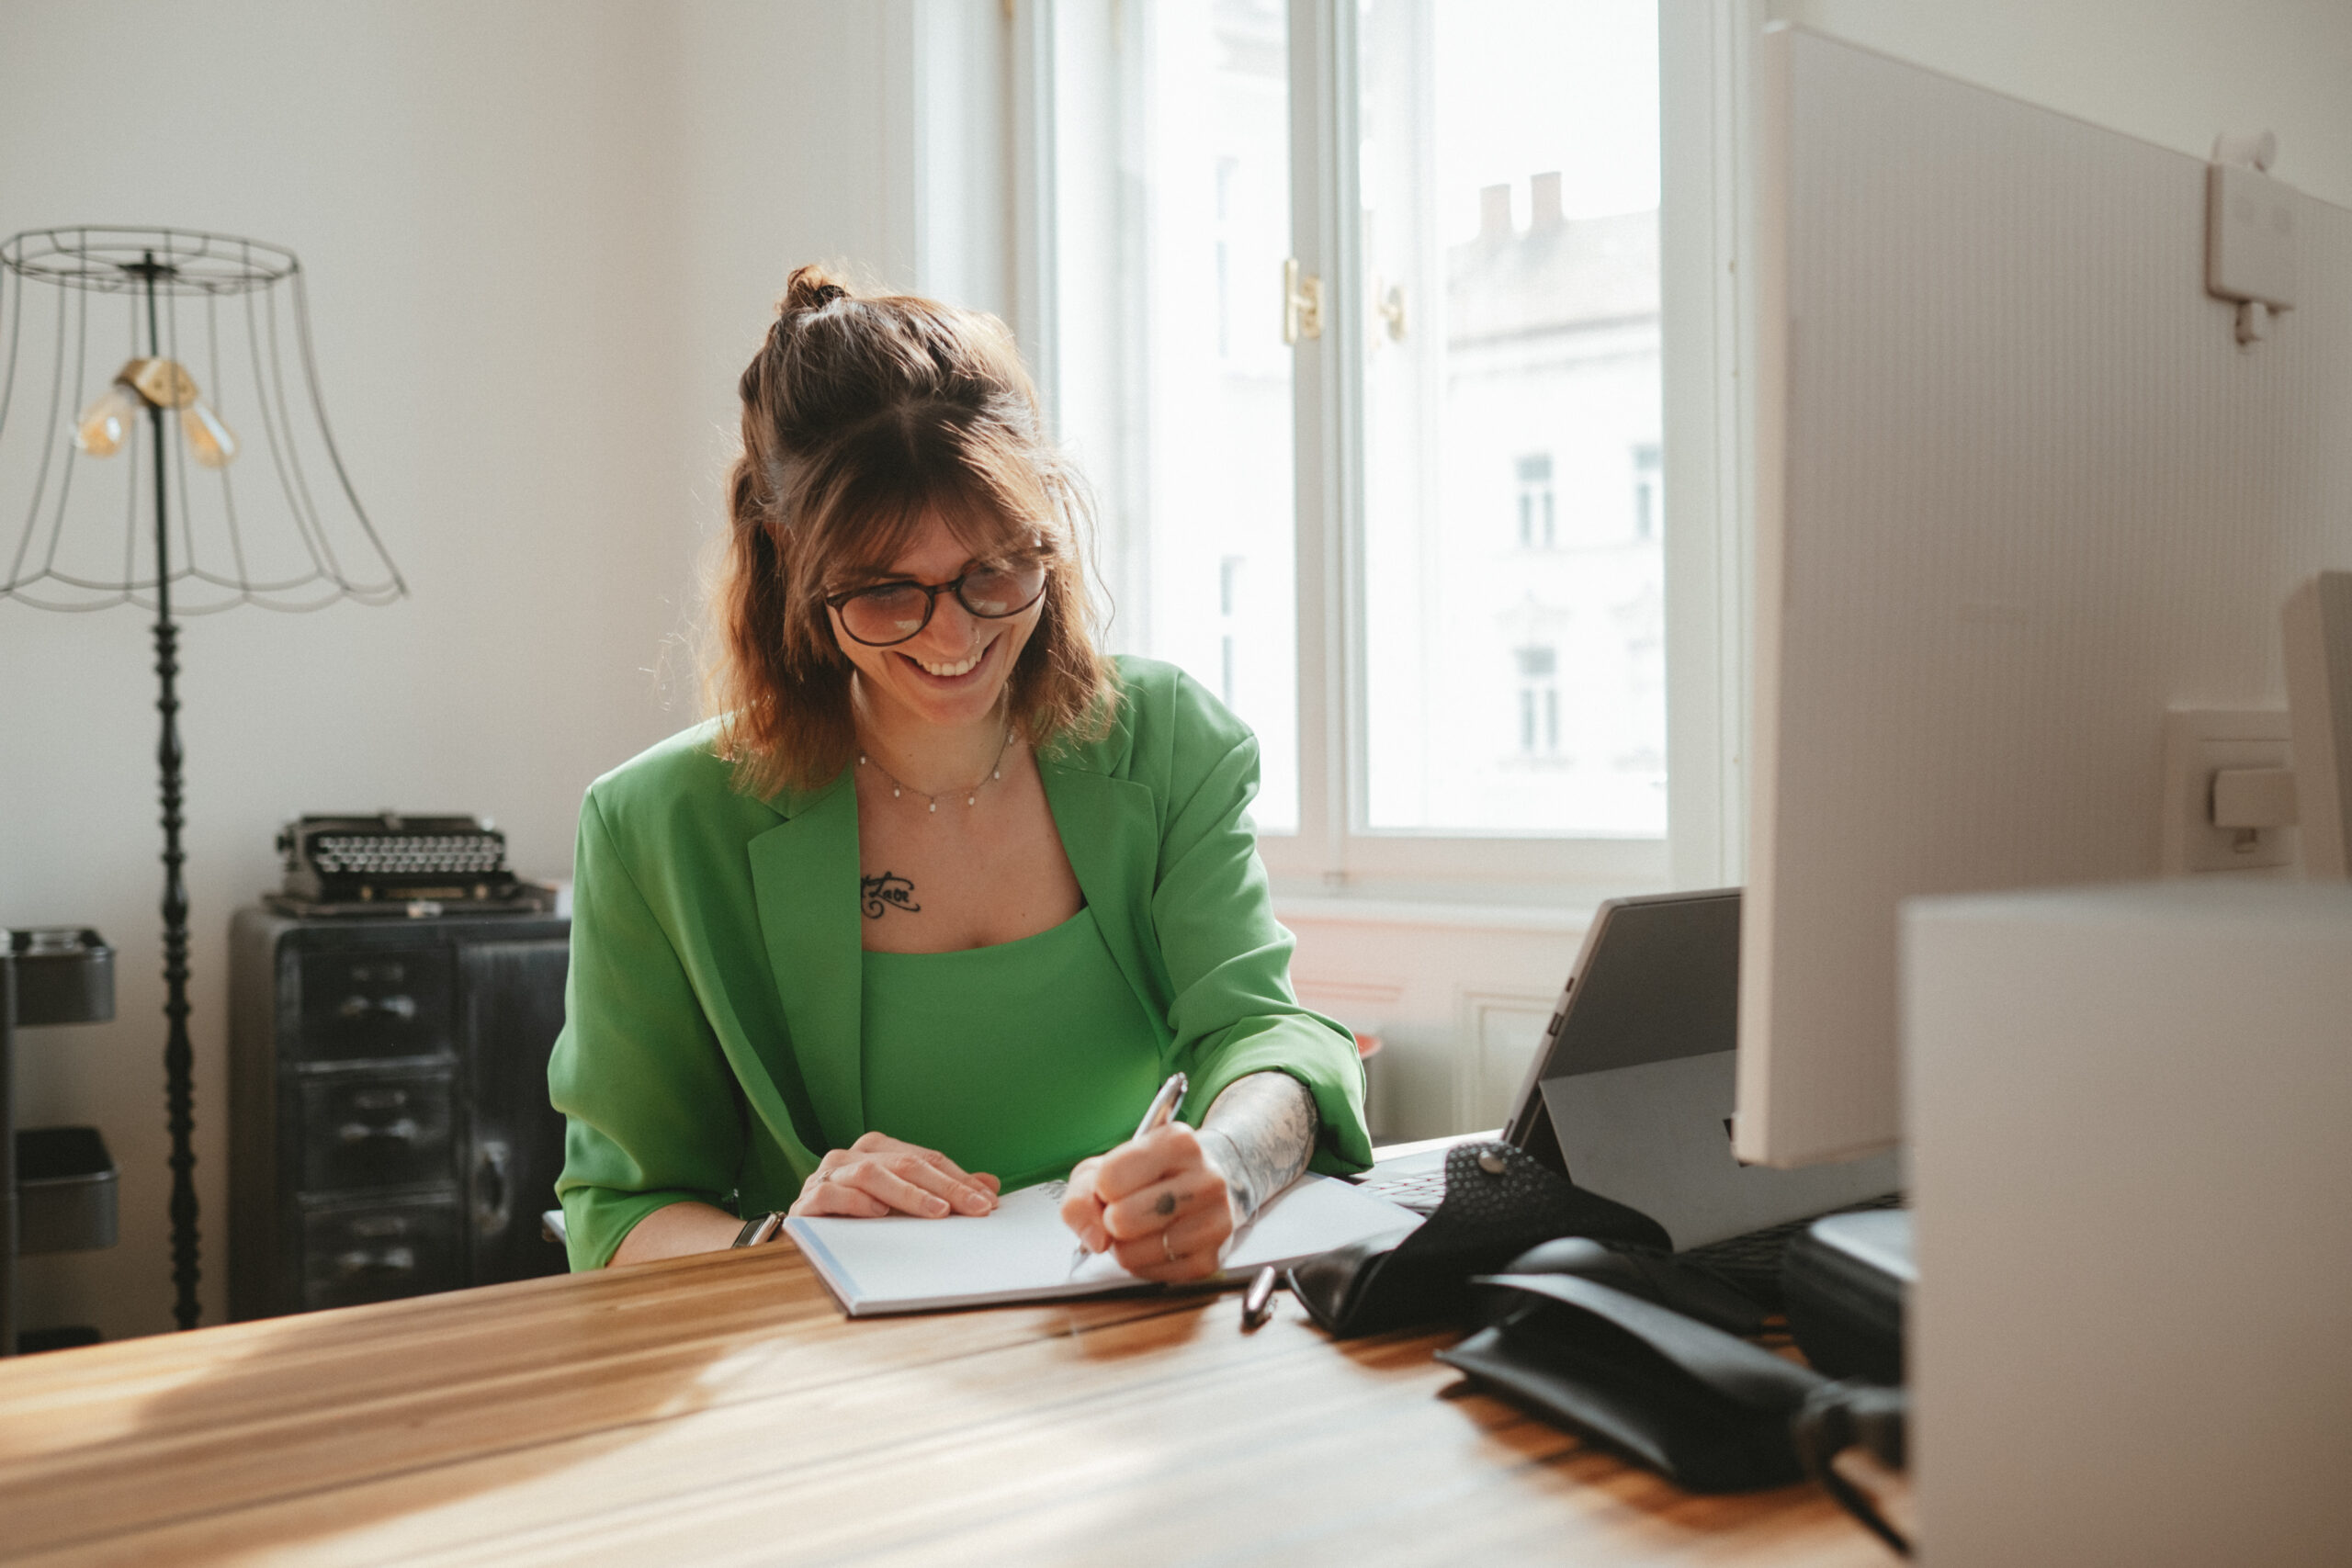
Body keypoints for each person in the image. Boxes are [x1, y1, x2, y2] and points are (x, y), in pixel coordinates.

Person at [550, 265, 1372, 1281]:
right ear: (789, 563)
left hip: (1128, 1325)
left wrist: (1231, 1163)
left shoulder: (1162, 742)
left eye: (995, 569)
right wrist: (785, 1240)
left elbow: (1265, 1032)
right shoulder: (655, 827)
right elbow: (617, 1212)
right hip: (834, 1379)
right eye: (888, 591)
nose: (955, 635)